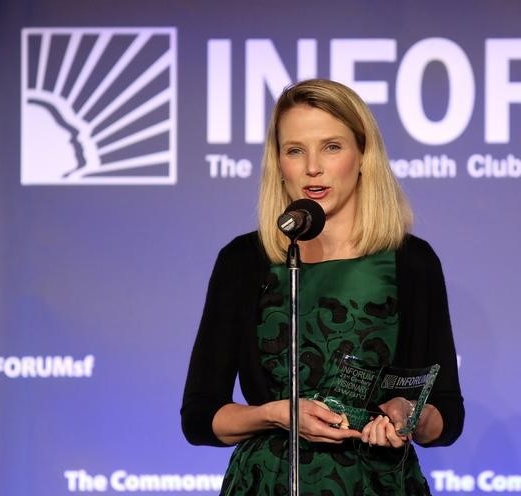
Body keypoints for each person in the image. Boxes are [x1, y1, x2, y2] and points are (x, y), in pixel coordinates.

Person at [181, 79, 463, 495]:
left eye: (332, 147)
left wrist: (410, 416)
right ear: (279, 163)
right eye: (295, 150)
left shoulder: (411, 262)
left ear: (364, 155)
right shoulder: (244, 260)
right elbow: (201, 416)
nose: (313, 166)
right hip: (269, 483)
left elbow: (447, 417)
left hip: (376, 484)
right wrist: (278, 414)